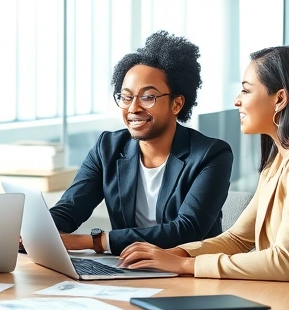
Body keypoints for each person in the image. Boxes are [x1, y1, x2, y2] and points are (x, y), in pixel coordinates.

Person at [119, 45, 289, 281]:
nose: (237, 100)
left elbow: (283, 261)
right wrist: (172, 254)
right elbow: (238, 238)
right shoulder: (280, 159)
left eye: (246, 91)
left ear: (280, 98)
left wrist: (185, 264)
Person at [49, 31, 233, 255]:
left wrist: (94, 242)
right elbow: (70, 208)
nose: (133, 108)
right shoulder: (107, 148)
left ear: (176, 104)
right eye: (126, 97)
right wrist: (38, 232)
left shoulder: (211, 155)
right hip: (126, 270)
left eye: (148, 97)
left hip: (186, 272)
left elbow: (188, 229)